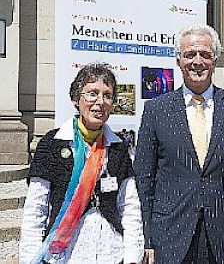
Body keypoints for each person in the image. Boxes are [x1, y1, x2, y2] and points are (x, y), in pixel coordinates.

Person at [134, 24, 224, 264]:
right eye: (190, 55)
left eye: (205, 54)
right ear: (178, 60)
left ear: (215, 59)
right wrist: (146, 238)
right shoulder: (156, 110)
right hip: (169, 234)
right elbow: (143, 179)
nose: (197, 61)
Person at [18, 63, 145, 263]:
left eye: (107, 95)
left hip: (111, 253)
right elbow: (36, 209)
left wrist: (132, 257)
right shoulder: (51, 144)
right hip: (65, 255)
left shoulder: (119, 148)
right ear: (76, 98)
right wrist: (29, 259)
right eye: (92, 93)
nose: (100, 102)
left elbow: (129, 207)